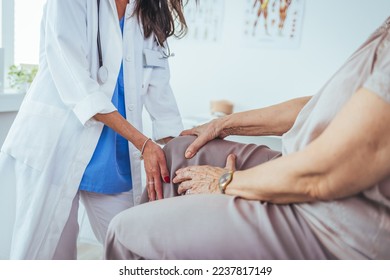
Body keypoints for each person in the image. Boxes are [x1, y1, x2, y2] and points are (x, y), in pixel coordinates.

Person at [104, 16, 390, 260]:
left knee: (124, 232)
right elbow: (317, 106)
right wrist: (222, 125)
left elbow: (321, 175)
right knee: (180, 152)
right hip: (302, 164)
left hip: (331, 221)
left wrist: (224, 182)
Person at [0, 0, 189, 260]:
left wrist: (186, 153)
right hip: (57, 145)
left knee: (134, 253)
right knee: (48, 258)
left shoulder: (147, 10)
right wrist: (144, 143)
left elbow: (161, 94)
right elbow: (76, 83)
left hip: (113, 155)